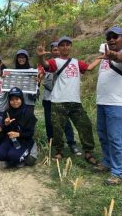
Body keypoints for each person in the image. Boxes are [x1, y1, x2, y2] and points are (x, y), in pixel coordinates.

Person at [37, 36, 96, 164]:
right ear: (58, 47)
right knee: (57, 129)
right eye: (62, 45)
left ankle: (88, 152)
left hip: (75, 101)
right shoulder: (56, 61)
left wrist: (100, 57)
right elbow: (46, 66)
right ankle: (59, 151)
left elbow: (89, 68)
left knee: (85, 125)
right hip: (58, 101)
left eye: (67, 45)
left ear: (70, 46)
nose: (65, 47)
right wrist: (41, 57)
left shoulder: (76, 62)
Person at [92, 26, 122, 186]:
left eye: (115, 36)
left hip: (119, 104)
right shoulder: (104, 56)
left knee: (115, 137)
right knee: (103, 134)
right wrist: (108, 55)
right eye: (109, 37)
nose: (111, 39)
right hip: (103, 102)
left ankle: (118, 171)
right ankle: (107, 161)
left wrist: (114, 55)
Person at [40, 42, 81, 155]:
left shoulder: (68, 65)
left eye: (58, 49)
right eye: (54, 50)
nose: (56, 51)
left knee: (66, 122)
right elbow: (39, 76)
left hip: (62, 99)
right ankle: (52, 142)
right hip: (48, 98)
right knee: (49, 122)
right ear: (51, 52)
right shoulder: (46, 65)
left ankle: (72, 143)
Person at [0, 87, 38, 167]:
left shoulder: (28, 113)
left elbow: (30, 133)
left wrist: (18, 134)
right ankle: (14, 158)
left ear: (21, 99)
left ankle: (31, 151)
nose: (14, 102)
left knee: (14, 156)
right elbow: (4, 132)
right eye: (12, 99)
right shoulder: (7, 112)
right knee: (0, 154)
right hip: (11, 140)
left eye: (17, 99)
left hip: (24, 141)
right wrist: (5, 125)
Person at [13, 49, 38, 114]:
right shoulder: (13, 71)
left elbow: (36, 85)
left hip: (28, 102)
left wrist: (38, 80)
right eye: (19, 57)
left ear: (26, 59)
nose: (21, 59)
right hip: (16, 102)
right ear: (17, 59)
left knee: (28, 121)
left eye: (23, 57)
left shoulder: (32, 71)